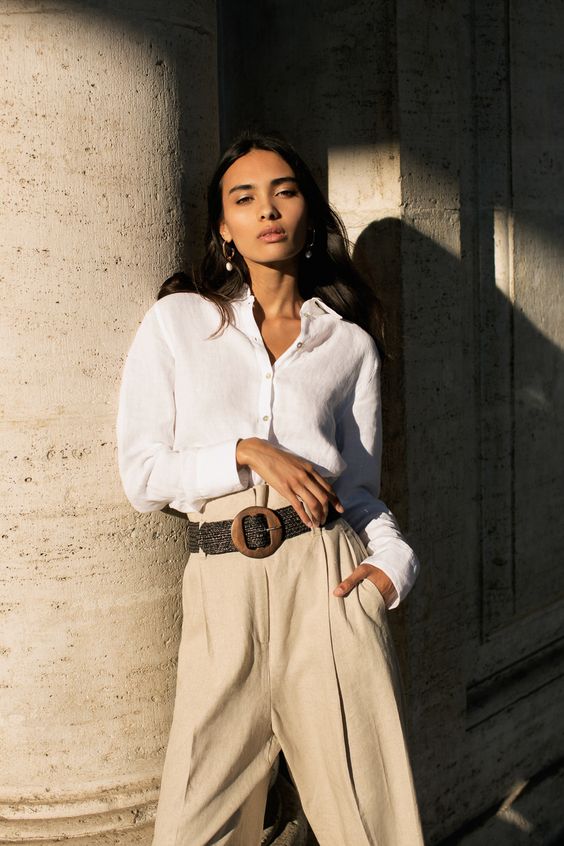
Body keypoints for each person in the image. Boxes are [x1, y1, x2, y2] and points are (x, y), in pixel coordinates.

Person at [117, 131, 424, 846]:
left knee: (371, 821)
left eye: (284, 191)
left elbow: (363, 492)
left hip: (329, 583)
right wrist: (247, 452)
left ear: (309, 214)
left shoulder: (347, 345)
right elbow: (142, 476)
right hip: (221, 585)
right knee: (197, 826)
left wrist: (393, 567)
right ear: (223, 226)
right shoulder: (180, 323)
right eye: (244, 197)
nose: (267, 210)